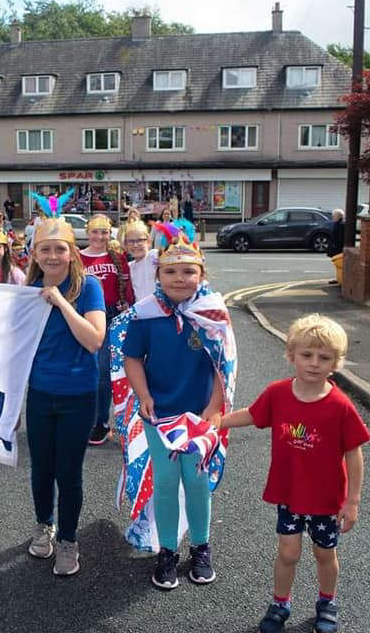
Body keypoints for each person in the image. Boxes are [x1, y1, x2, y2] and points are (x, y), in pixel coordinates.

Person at [218, 314, 370, 633]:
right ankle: (280, 604)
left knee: (323, 552)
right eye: (307, 355)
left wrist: (352, 501)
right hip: (289, 494)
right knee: (288, 552)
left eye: (324, 357)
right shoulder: (278, 393)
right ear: (291, 355)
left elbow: (354, 454)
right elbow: (253, 414)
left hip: (327, 500)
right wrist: (218, 422)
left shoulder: (340, 406)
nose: (314, 363)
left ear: (336, 363)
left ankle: (327, 602)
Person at [120, 234, 231, 589]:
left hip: (199, 414)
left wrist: (215, 407)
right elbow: (132, 357)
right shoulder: (146, 314)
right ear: (158, 276)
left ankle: (201, 546)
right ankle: (167, 550)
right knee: (166, 483)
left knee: (196, 482)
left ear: (201, 274)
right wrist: (143, 394)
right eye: (171, 272)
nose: (180, 279)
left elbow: (223, 363)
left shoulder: (213, 313)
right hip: (160, 414)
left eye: (188, 271)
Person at [23, 214, 105, 576]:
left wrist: (60, 302)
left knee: (68, 473)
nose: (53, 256)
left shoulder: (88, 288)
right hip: (40, 392)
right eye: (46, 249)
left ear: (72, 253)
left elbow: (94, 340)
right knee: (41, 468)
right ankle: (45, 526)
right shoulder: (25, 291)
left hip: (78, 394)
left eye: (60, 249)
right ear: (35, 253)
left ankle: (69, 540)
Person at [80, 214, 135, 445]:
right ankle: (83, 419)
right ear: (87, 232)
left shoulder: (118, 257)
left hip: (112, 316)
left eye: (104, 232)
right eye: (95, 232)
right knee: (84, 372)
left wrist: (128, 304)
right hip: (85, 315)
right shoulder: (78, 256)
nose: (99, 237)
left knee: (103, 373)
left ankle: (101, 422)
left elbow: (128, 286)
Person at [123, 220, 158, 300]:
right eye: (131, 241)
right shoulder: (129, 266)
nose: (135, 245)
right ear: (125, 245)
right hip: (140, 310)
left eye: (140, 240)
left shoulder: (153, 256)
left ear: (148, 241)